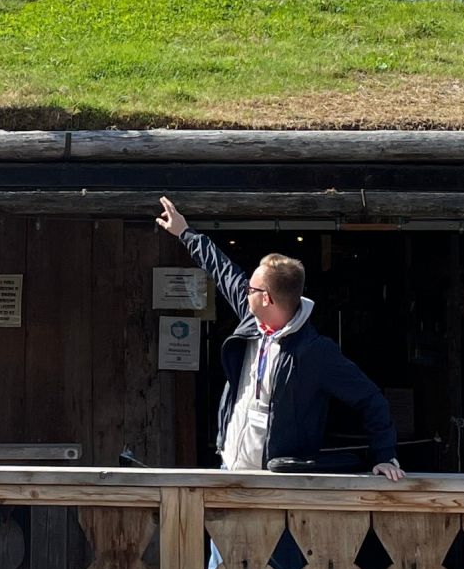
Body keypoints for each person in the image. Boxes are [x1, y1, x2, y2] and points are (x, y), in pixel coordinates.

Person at [155, 197, 403, 479]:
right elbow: (224, 272)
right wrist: (186, 234)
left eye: (251, 288)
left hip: (279, 483)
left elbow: (371, 399)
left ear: (267, 298)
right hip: (230, 470)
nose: (244, 290)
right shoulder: (253, 318)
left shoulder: (314, 351)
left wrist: (385, 457)